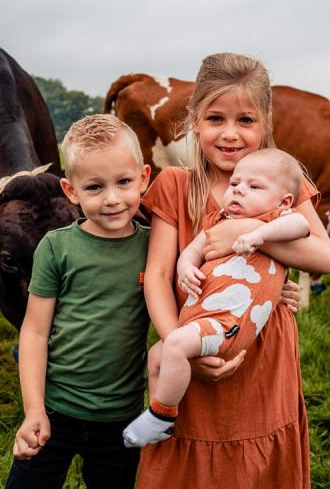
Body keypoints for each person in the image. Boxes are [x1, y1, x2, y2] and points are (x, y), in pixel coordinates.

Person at [136, 53, 330, 488]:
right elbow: (156, 275)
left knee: (255, 459)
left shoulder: (283, 182)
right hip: (193, 343)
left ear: (265, 122)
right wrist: (178, 345)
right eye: (215, 119)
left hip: (263, 353)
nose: (230, 134)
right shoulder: (175, 184)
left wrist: (243, 232)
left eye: (246, 120)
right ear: (194, 120)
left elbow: (325, 257)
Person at [122, 148, 310, 447]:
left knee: (175, 345)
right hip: (201, 316)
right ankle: (162, 416)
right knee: (157, 355)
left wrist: (257, 234)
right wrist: (185, 268)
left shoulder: (279, 219)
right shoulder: (217, 219)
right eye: (235, 184)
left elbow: (301, 227)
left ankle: (160, 416)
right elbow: (193, 251)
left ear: (284, 200)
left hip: (230, 323)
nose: (238, 191)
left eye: (253, 187)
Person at [5, 114, 152, 489]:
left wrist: (278, 288)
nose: (112, 199)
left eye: (124, 182)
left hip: (122, 418)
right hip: (57, 410)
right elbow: (35, 332)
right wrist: (34, 409)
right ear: (71, 191)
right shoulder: (56, 248)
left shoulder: (155, 246)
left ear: (144, 178)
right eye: (94, 187)